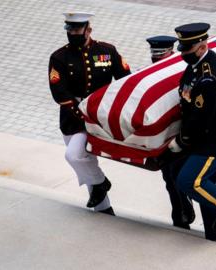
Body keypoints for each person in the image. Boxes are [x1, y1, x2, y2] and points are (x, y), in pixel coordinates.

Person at [48, 12, 131, 215]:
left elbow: (126, 80)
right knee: (85, 160)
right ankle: (104, 207)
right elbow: (59, 92)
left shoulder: (107, 51)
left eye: (77, 29)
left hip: (99, 116)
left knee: (74, 156)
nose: (73, 33)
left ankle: (101, 183)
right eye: (70, 29)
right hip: (72, 117)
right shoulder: (59, 57)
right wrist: (80, 113)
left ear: (88, 30)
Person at [168, 23, 216, 237]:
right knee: (174, 171)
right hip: (202, 135)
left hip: (214, 140)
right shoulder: (197, 65)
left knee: (190, 181)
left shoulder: (209, 76)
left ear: (201, 47)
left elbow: (201, 119)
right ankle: (192, 210)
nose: (183, 54)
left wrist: (181, 141)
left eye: (187, 50)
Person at [146, 35, 196, 230]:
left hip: (185, 133)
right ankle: (180, 213)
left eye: (161, 55)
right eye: (154, 56)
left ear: (171, 53)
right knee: (169, 176)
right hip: (163, 136)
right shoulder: (149, 74)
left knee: (184, 176)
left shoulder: (183, 71)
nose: (156, 59)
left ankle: (186, 206)